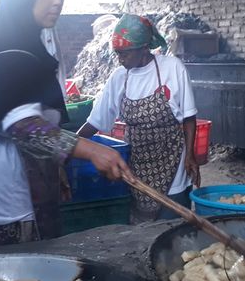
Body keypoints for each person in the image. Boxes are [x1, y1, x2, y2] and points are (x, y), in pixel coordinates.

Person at [0, 0, 131, 248]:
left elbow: (34, 115)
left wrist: (58, 167)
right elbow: (25, 128)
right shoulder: (12, 52)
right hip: (5, 188)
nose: (57, 0)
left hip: (3, 177)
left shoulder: (26, 44)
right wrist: (92, 151)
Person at [78, 14, 201, 223]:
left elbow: (189, 117)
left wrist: (190, 155)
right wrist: (70, 146)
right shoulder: (119, 77)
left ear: (144, 48)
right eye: (117, 53)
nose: (120, 59)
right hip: (137, 169)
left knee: (173, 226)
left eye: (125, 53)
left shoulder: (172, 68)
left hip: (173, 163)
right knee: (142, 233)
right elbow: (96, 121)